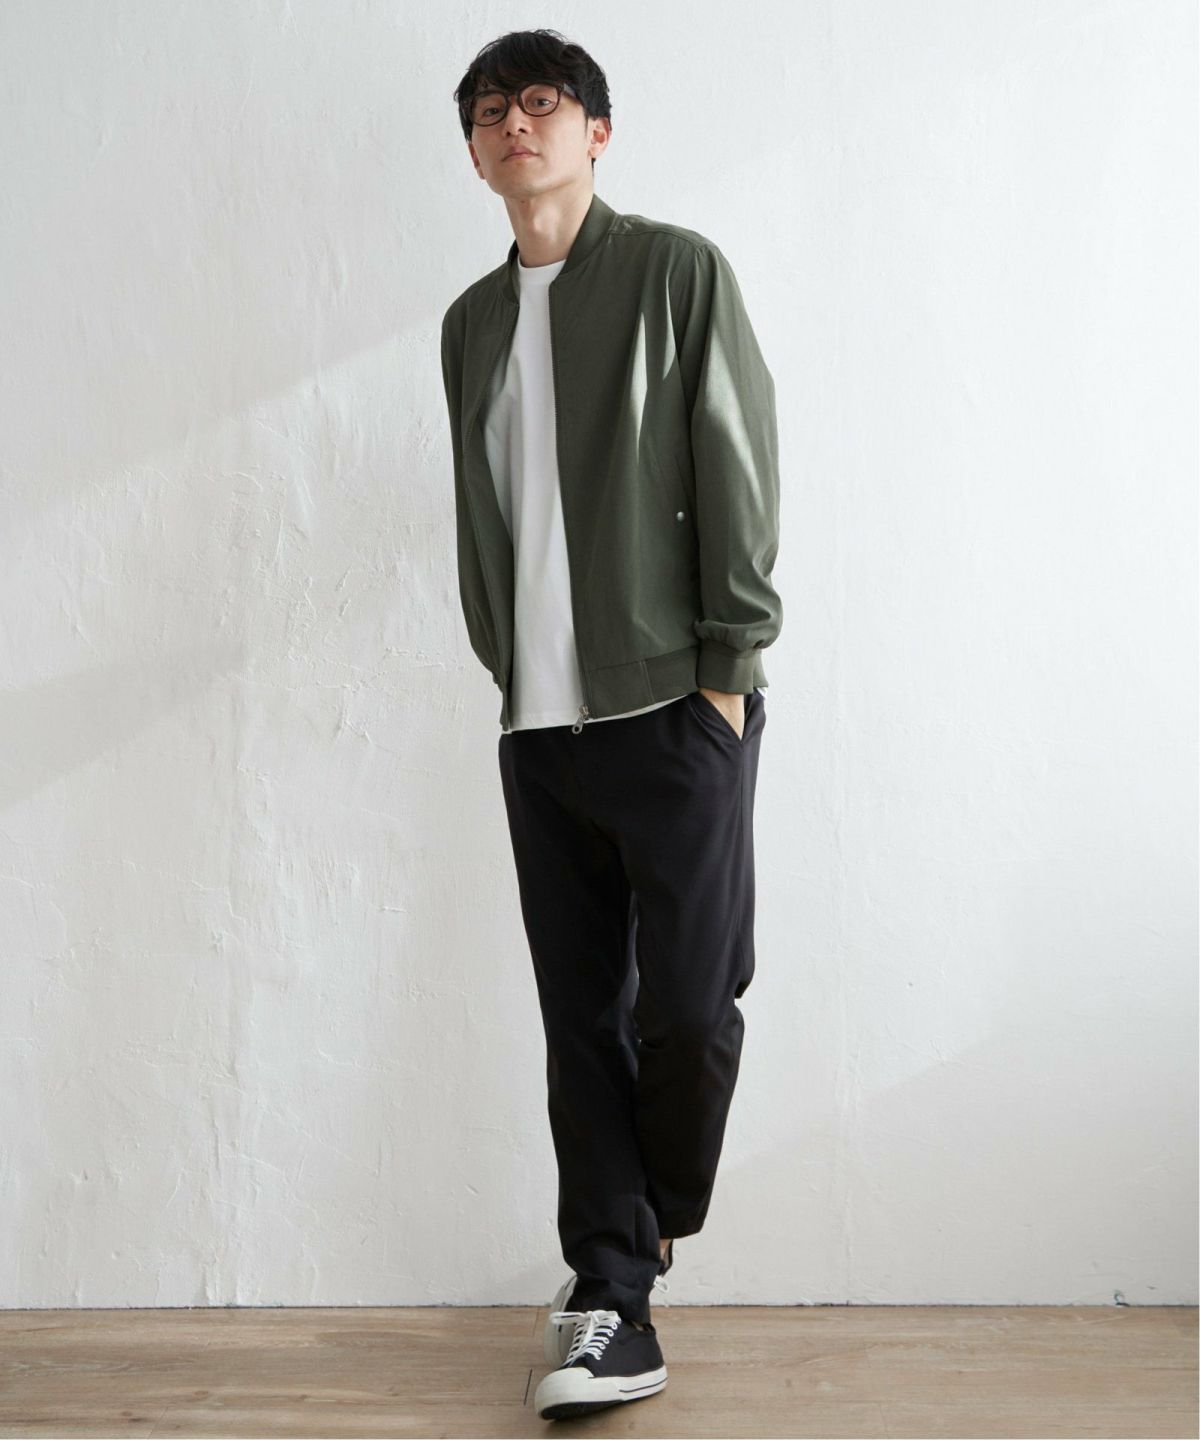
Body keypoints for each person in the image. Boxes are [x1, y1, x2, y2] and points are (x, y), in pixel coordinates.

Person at [439, 27, 783, 1422]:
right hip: (539, 729)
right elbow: (481, 509)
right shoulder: (470, 323)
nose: (513, 124)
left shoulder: (675, 273)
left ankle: (645, 1221)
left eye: (541, 101)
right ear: (475, 150)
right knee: (581, 1022)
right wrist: (504, 666)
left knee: (691, 1007)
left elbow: (736, 455)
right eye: (489, 110)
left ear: (595, 131)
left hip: (675, 703)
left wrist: (728, 671)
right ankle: (610, 1297)